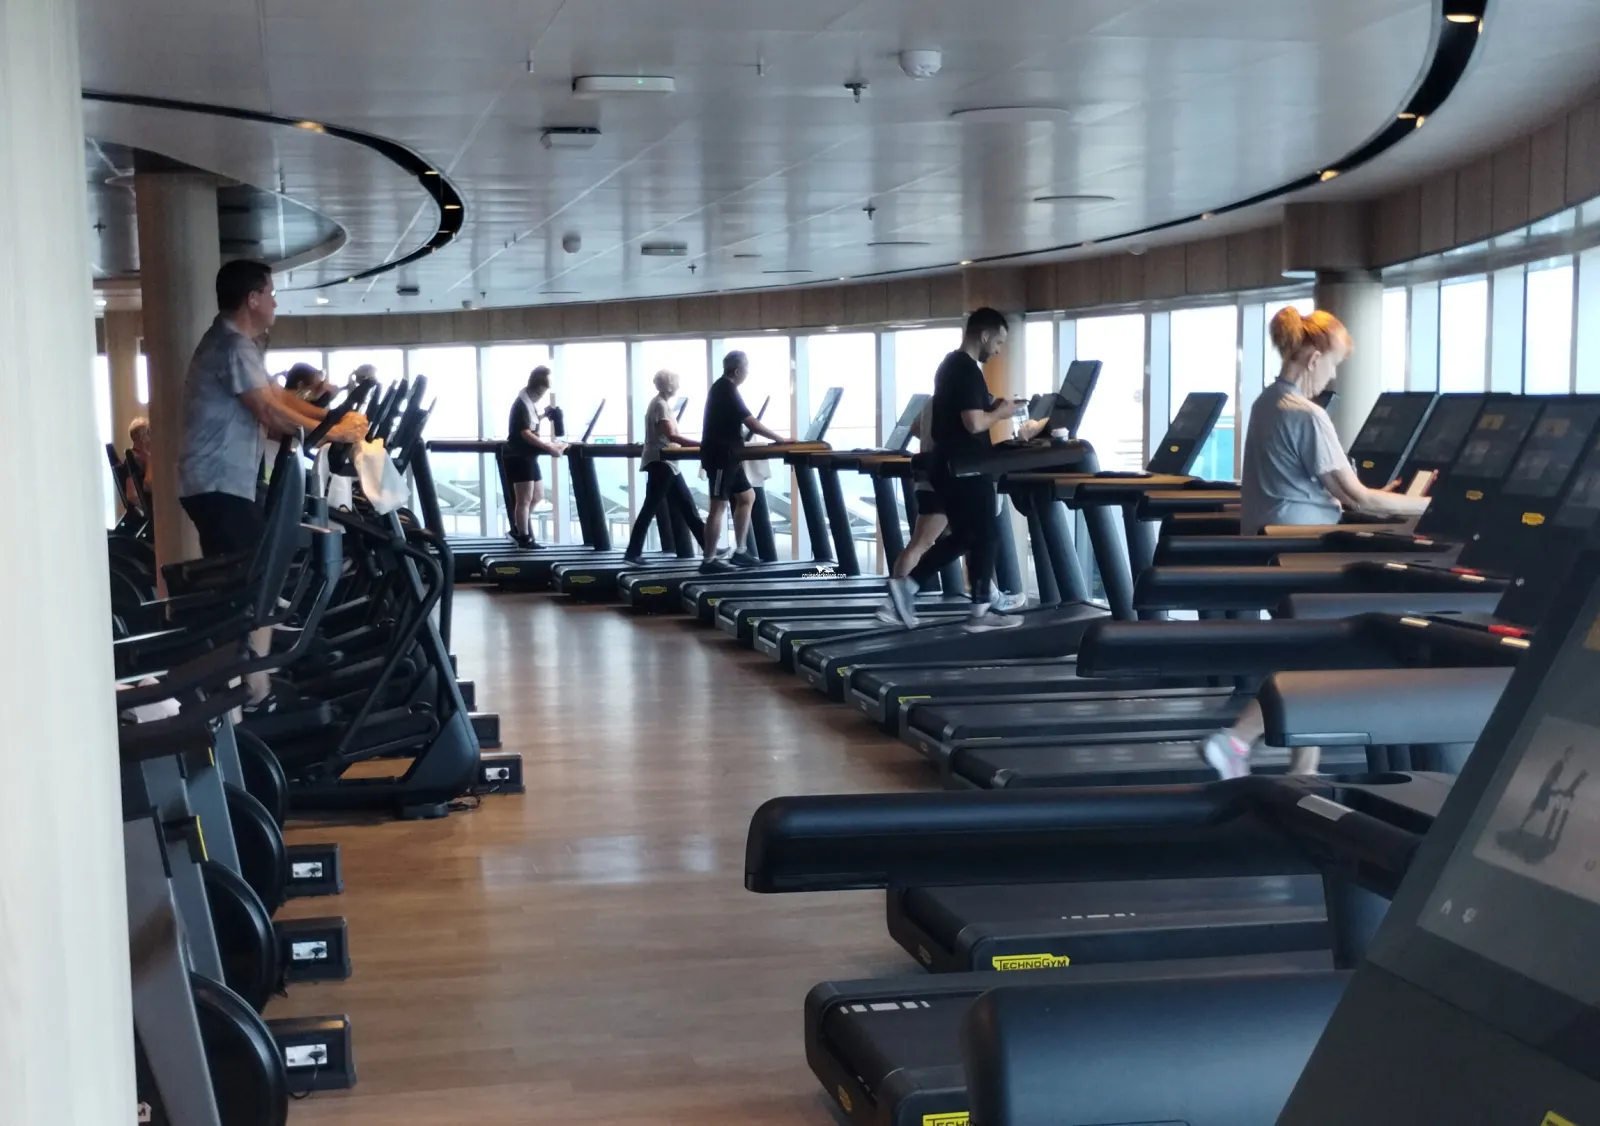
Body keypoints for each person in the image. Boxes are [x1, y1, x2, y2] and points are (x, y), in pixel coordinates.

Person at [1199, 305, 1430, 780]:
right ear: (1313, 357)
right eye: (1335, 363)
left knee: (1310, 657)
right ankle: (1236, 740)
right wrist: (1429, 505)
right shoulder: (1307, 415)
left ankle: (1302, 775)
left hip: (1273, 550)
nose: (1333, 375)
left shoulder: (1267, 403)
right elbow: (1359, 498)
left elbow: (1331, 487)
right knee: (1320, 658)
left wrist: (1381, 496)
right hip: (1303, 555)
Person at [176, 259, 367, 707]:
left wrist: (331, 418)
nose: (276, 303)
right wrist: (334, 432)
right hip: (217, 484)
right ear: (253, 299)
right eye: (272, 294)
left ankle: (247, 680)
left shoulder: (237, 344)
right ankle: (251, 690)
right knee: (258, 579)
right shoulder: (231, 345)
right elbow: (266, 410)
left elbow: (277, 397)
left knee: (253, 579)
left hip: (221, 484)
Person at [882, 308, 1029, 633]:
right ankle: (977, 611)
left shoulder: (949, 365)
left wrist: (992, 408)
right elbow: (973, 423)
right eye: (998, 343)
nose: (998, 350)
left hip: (947, 465)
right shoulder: (966, 368)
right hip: (965, 467)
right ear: (985, 335)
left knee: (969, 535)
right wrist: (1002, 413)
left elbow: (957, 417)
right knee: (984, 534)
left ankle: (913, 587)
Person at [880, 392, 1039, 623]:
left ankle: (989, 596)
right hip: (947, 477)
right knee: (923, 543)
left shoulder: (935, 401)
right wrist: (994, 415)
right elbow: (972, 426)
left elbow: (915, 428)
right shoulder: (959, 400)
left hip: (933, 475)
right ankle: (893, 604)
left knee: (970, 537)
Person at [700, 350, 784, 570]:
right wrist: (780, 439)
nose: (747, 373)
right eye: (746, 369)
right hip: (720, 457)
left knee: (747, 496)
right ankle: (708, 560)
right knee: (718, 506)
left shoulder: (725, 389)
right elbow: (751, 422)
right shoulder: (726, 389)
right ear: (737, 371)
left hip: (731, 456)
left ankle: (740, 551)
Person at [623, 370, 706, 563]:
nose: (678, 386)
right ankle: (632, 553)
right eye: (676, 383)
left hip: (669, 463)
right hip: (662, 463)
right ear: (669, 385)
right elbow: (671, 436)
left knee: (687, 506)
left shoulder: (660, 404)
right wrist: (702, 445)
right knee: (650, 507)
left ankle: (708, 547)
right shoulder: (660, 405)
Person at [506, 366, 566, 548]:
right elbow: (525, 432)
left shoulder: (527, 404)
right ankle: (523, 537)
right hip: (519, 456)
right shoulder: (521, 404)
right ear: (538, 388)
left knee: (537, 496)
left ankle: (518, 529)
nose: (542, 395)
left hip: (529, 456)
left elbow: (529, 423)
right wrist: (548, 447)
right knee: (523, 500)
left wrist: (544, 415)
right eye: (542, 391)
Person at [124, 416, 153, 514]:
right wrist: (150, 511)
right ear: (142, 437)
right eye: (149, 433)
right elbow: (132, 495)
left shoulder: (141, 458)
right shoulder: (133, 460)